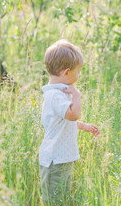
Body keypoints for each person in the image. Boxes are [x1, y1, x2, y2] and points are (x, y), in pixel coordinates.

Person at [39, 39, 100, 205]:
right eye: (77, 72)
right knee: (54, 199)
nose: (78, 76)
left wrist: (84, 127)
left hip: (62, 157)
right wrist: (77, 96)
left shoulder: (58, 94)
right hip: (55, 160)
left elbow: (65, 121)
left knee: (61, 197)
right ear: (66, 73)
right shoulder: (55, 96)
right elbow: (73, 115)